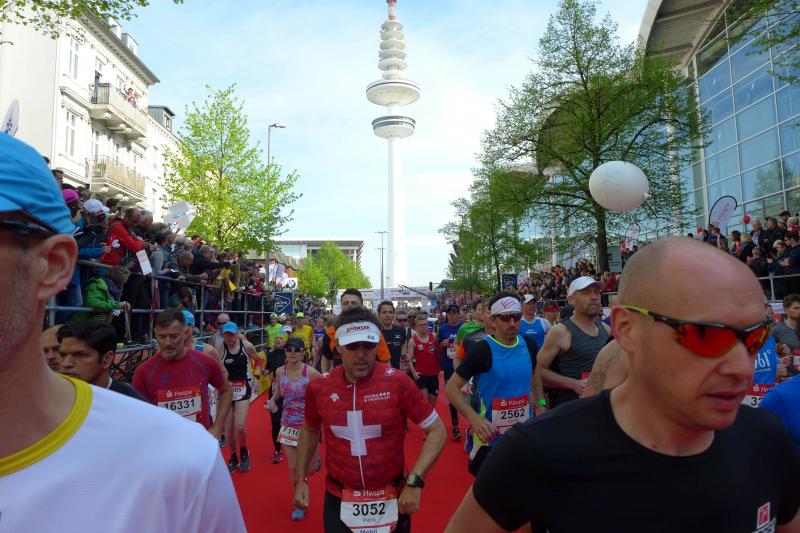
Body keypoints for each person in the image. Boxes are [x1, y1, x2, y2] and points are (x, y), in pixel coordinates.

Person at [445, 237, 800, 532]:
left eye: (756, 338)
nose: (742, 367)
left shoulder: (767, 437)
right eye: (706, 335)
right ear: (627, 330)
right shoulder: (539, 452)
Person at [0, 133, 245, 532]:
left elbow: (226, 388)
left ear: (53, 266)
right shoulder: (148, 380)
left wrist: (216, 430)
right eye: (163, 335)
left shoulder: (179, 462)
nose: (169, 341)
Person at [293, 306, 447, 533]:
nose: (361, 354)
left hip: (391, 495)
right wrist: (300, 480)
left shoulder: (397, 383)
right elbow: (309, 429)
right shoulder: (319, 387)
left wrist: (415, 481)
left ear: (378, 344)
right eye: (352, 346)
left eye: (368, 345)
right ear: (338, 346)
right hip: (339, 496)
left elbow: (437, 430)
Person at [445, 294, 544, 476]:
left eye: (516, 317)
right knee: (485, 490)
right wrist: (475, 419)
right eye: (505, 318)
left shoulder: (529, 345)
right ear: (493, 320)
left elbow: (535, 372)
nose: (512, 323)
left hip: (523, 433)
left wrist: (541, 403)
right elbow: (451, 388)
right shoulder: (482, 350)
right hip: (490, 438)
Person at [133, 308, 233, 439]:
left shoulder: (204, 361)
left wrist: (218, 427)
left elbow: (227, 390)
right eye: (162, 337)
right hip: (164, 445)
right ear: (155, 334)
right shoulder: (143, 372)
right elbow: (136, 414)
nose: (167, 343)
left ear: (185, 334)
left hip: (200, 442)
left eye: (174, 336)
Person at [265, 337, 322, 521]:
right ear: (285, 351)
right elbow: (279, 392)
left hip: (308, 426)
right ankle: (300, 503)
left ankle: (315, 462)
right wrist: (272, 401)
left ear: (303, 352)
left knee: (309, 469)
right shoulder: (280, 371)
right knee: (294, 468)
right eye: (289, 349)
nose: (292, 352)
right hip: (288, 424)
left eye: (296, 349)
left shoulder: (311, 373)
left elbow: (323, 395)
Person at [536, 276, 610, 407]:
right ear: (571, 300)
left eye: (597, 292)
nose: (594, 297)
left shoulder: (606, 329)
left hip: (602, 406)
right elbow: (537, 372)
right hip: (573, 408)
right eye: (586, 292)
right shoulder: (560, 332)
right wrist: (573, 384)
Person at [57, 321, 146, 401]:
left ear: (107, 359)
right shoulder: (51, 398)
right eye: (62, 355)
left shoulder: (134, 404)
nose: (66, 363)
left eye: (80, 355)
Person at [320, 288, 391, 372]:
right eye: (345, 303)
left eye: (354, 303)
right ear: (341, 306)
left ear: (361, 306)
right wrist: (325, 375)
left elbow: (386, 361)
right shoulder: (331, 332)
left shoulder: (373, 330)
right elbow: (325, 357)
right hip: (340, 379)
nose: (349, 305)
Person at [220, 321, 257, 473]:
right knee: (228, 429)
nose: (229, 338)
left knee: (239, 426)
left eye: (231, 334)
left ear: (237, 334)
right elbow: (214, 367)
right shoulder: (220, 348)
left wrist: (256, 377)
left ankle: (243, 450)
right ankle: (233, 456)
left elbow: (259, 360)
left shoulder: (246, 346)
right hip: (226, 391)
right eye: (226, 335)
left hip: (243, 388)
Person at [438, 304, 464, 440]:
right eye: (449, 314)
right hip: (448, 367)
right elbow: (437, 345)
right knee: (452, 396)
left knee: (467, 395)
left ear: (459, 314)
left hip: (463, 367)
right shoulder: (442, 328)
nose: (452, 316)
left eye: (454, 313)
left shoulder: (464, 327)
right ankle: (455, 425)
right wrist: (441, 344)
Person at [406, 310, 440, 408]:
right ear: (417, 326)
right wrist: (414, 373)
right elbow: (409, 359)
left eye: (425, 324)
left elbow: (439, 351)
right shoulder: (413, 341)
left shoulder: (434, 336)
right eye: (421, 325)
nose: (424, 327)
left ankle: (430, 417)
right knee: (424, 403)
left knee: (432, 403)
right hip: (421, 376)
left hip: (434, 375)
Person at [266, 332, 288, 464]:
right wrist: (263, 372)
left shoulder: (290, 354)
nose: (278, 340)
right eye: (276, 338)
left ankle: (293, 444)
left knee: (289, 420)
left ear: (285, 341)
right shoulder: (271, 354)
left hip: (289, 390)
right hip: (274, 390)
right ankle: (277, 450)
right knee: (275, 422)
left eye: (281, 338)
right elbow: (268, 369)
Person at [379, 300, 407, 369]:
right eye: (384, 312)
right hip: (379, 373)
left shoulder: (401, 330)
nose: (387, 315)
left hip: (396, 371)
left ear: (394, 314)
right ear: (379, 314)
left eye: (390, 312)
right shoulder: (374, 332)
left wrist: (404, 355)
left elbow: (403, 347)